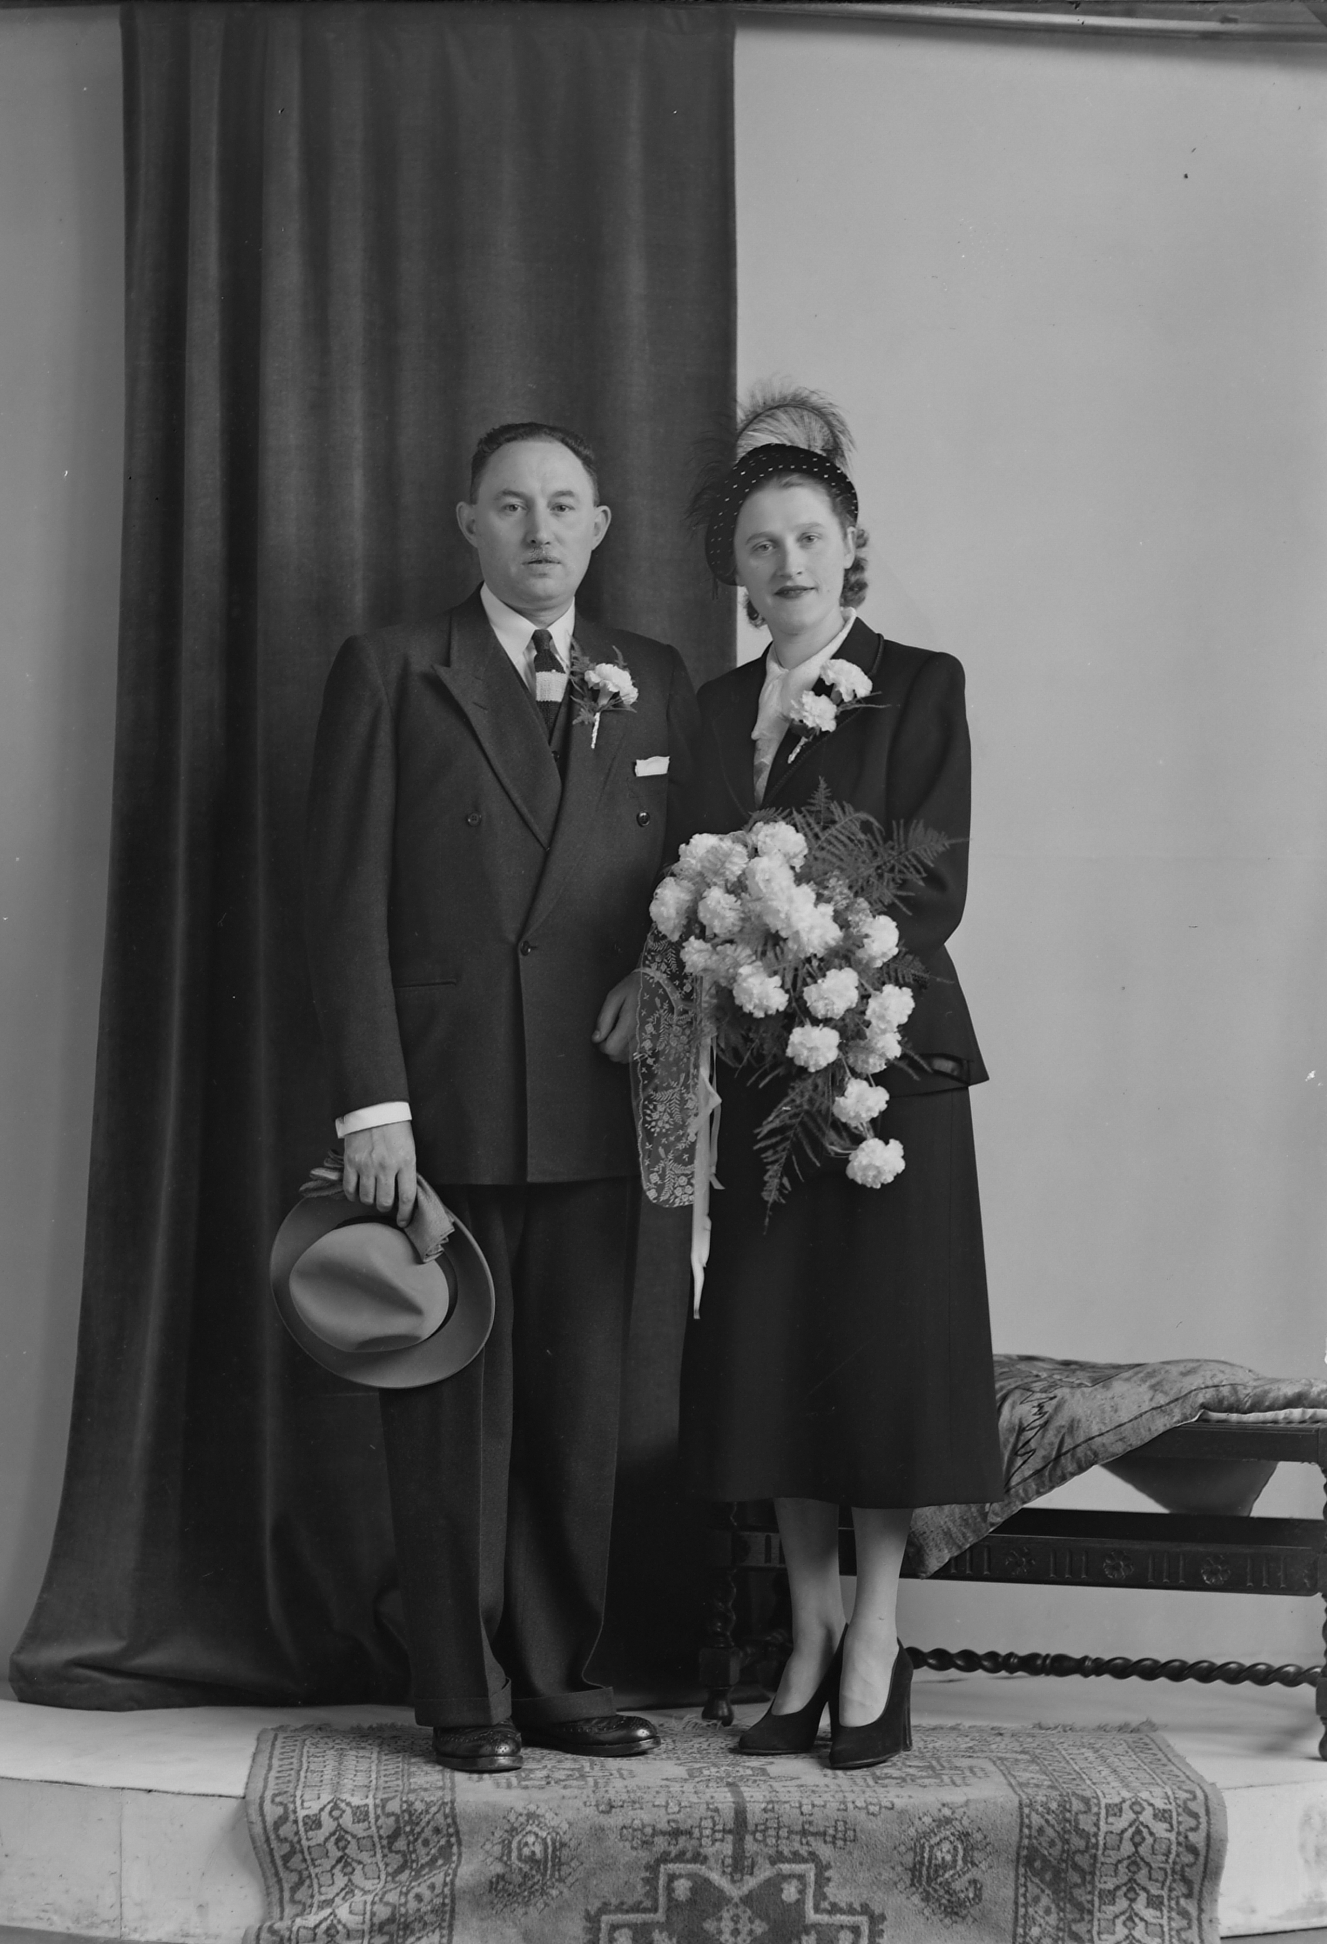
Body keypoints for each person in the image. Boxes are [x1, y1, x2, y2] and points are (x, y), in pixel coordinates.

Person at [305, 421, 698, 1773]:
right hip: (446, 1098)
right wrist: (374, 1106)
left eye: (565, 506)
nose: (541, 530)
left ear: (601, 527)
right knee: (447, 1403)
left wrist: (659, 976)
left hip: (594, 1096)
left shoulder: (653, 674)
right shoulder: (393, 668)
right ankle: (461, 1693)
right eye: (513, 506)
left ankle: (557, 1679)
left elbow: (696, 879)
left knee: (580, 1410)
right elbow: (342, 904)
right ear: (467, 523)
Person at [671, 390, 1004, 1768]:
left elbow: (930, 877)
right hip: (765, 1065)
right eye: (761, 545)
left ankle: (877, 1636)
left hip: (883, 1064)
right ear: (736, 569)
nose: (788, 563)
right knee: (777, 1354)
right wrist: (731, 942)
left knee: (877, 1354)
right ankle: (805, 1638)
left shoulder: (920, 682)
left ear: (851, 544)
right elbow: (688, 874)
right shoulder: (710, 710)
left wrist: (813, 945)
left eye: (809, 536)